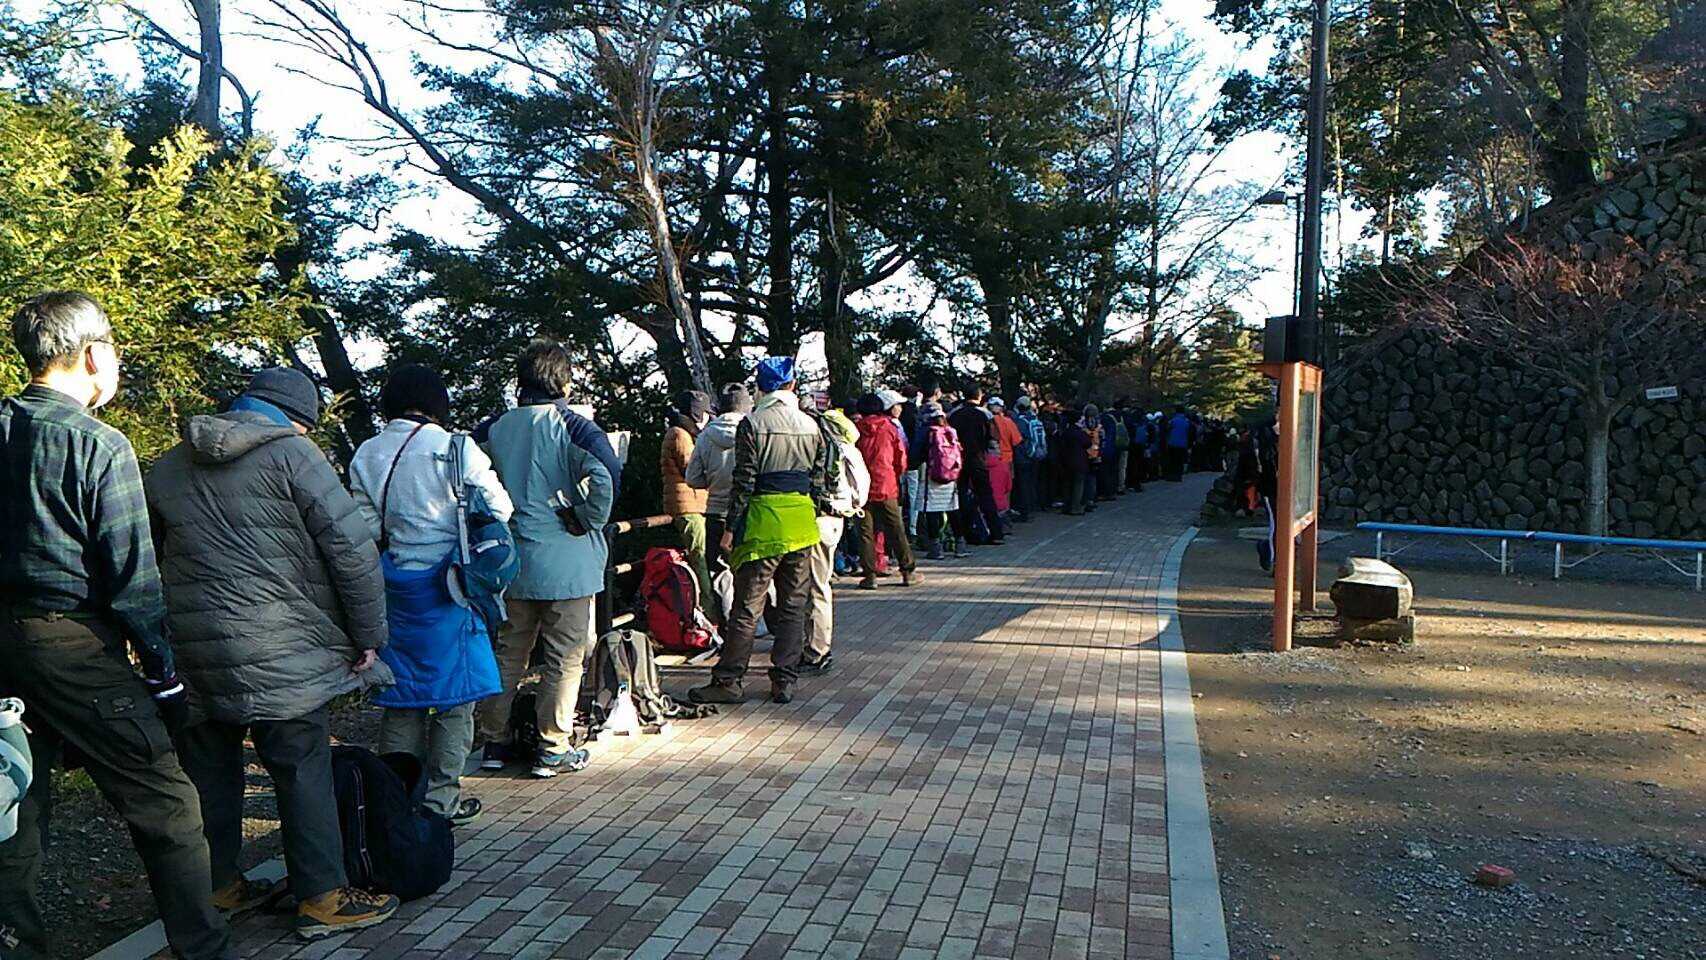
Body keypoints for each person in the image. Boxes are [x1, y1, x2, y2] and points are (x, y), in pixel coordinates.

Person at [0, 292, 233, 960]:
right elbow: (134, 580)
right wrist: (163, 675)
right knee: (167, 803)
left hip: (3, 645)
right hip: (73, 645)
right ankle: (203, 947)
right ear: (94, 355)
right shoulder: (99, 444)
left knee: (13, 806)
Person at [146, 366, 398, 940]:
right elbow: (351, 550)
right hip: (283, 646)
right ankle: (323, 896)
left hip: (197, 648)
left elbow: (151, 558)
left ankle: (218, 886)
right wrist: (369, 636)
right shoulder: (293, 455)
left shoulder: (168, 466)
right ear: (298, 420)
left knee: (209, 768)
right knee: (300, 765)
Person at [348, 364, 512, 827]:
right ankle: (441, 802)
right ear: (438, 404)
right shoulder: (457, 448)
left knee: (403, 697)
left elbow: (364, 528)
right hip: (452, 589)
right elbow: (500, 509)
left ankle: (397, 799)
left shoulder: (368, 452)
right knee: (455, 700)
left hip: (396, 590)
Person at [476, 340, 616, 778]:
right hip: (567, 566)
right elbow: (607, 474)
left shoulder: (492, 429)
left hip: (511, 564)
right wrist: (587, 517)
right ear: (564, 381)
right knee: (564, 658)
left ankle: (494, 741)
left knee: (508, 653)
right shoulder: (574, 427)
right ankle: (553, 747)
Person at [689, 356, 826, 706]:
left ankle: (729, 680)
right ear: (792, 385)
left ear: (761, 388)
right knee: (793, 606)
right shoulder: (811, 425)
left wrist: (730, 529)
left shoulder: (753, 424)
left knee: (748, 607)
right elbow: (820, 480)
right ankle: (784, 681)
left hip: (762, 523)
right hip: (802, 524)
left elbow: (744, 482)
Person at [803, 409, 869, 675]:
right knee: (819, 583)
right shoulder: (848, 449)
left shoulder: (822, 449)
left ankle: (817, 650)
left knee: (815, 587)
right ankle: (815, 644)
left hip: (817, 519)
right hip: (837, 519)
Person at [686, 383, 753, 608]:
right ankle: (753, 622)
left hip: (715, 510)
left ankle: (727, 623)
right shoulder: (754, 431)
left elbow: (692, 478)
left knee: (720, 572)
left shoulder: (706, 435)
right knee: (753, 571)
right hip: (748, 511)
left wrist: (712, 479)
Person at [855, 392, 918, 589]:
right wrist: (895, 475)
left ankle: (870, 575)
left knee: (865, 533)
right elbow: (901, 458)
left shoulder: (855, 430)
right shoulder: (889, 428)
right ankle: (907, 571)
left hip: (861, 488)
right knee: (896, 529)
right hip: (886, 484)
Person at [661, 390, 715, 621]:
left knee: (700, 558)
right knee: (699, 558)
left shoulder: (682, 432)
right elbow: (692, 469)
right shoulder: (680, 435)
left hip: (692, 504)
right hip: (688, 506)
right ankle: (710, 614)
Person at [947, 386, 1005, 544]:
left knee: (962, 495)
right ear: (979, 396)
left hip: (959, 460)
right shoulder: (985, 414)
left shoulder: (954, 414)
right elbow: (994, 437)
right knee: (986, 495)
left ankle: (966, 532)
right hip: (978, 458)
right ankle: (996, 532)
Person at [916, 403, 966, 560]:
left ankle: (936, 548)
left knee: (932, 511)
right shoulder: (950, 431)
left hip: (930, 475)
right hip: (951, 475)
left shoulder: (925, 431)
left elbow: (915, 454)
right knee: (953, 509)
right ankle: (960, 545)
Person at [1010, 396, 1045, 521]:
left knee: (1023, 484)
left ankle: (1024, 511)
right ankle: (1032, 507)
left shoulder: (1019, 421)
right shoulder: (1035, 419)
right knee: (1032, 482)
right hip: (1035, 455)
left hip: (1022, 456)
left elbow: (1017, 439)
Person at [988, 397, 1023, 521]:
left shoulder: (986, 421)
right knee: (1006, 489)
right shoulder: (1008, 422)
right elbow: (1017, 441)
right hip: (1006, 459)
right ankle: (1004, 513)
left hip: (989, 459)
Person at [1061, 408, 1094, 515]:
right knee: (1078, 485)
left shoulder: (1066, 432)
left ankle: (1067, 505)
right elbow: (1088, 443)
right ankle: (1076, 507)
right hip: (1079, 461)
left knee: (1068, 484)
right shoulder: (1080, 433)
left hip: (1067, 461)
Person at [1165, 405, 1194, 481]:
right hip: (1183, 443)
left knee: (1172, 460)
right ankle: (1178, 476)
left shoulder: (1173, 420)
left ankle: (1172, 475)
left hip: (1172, 442)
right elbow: (1190, 432)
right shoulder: (1187, 421)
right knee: (1180, 460)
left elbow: (1167, 429)